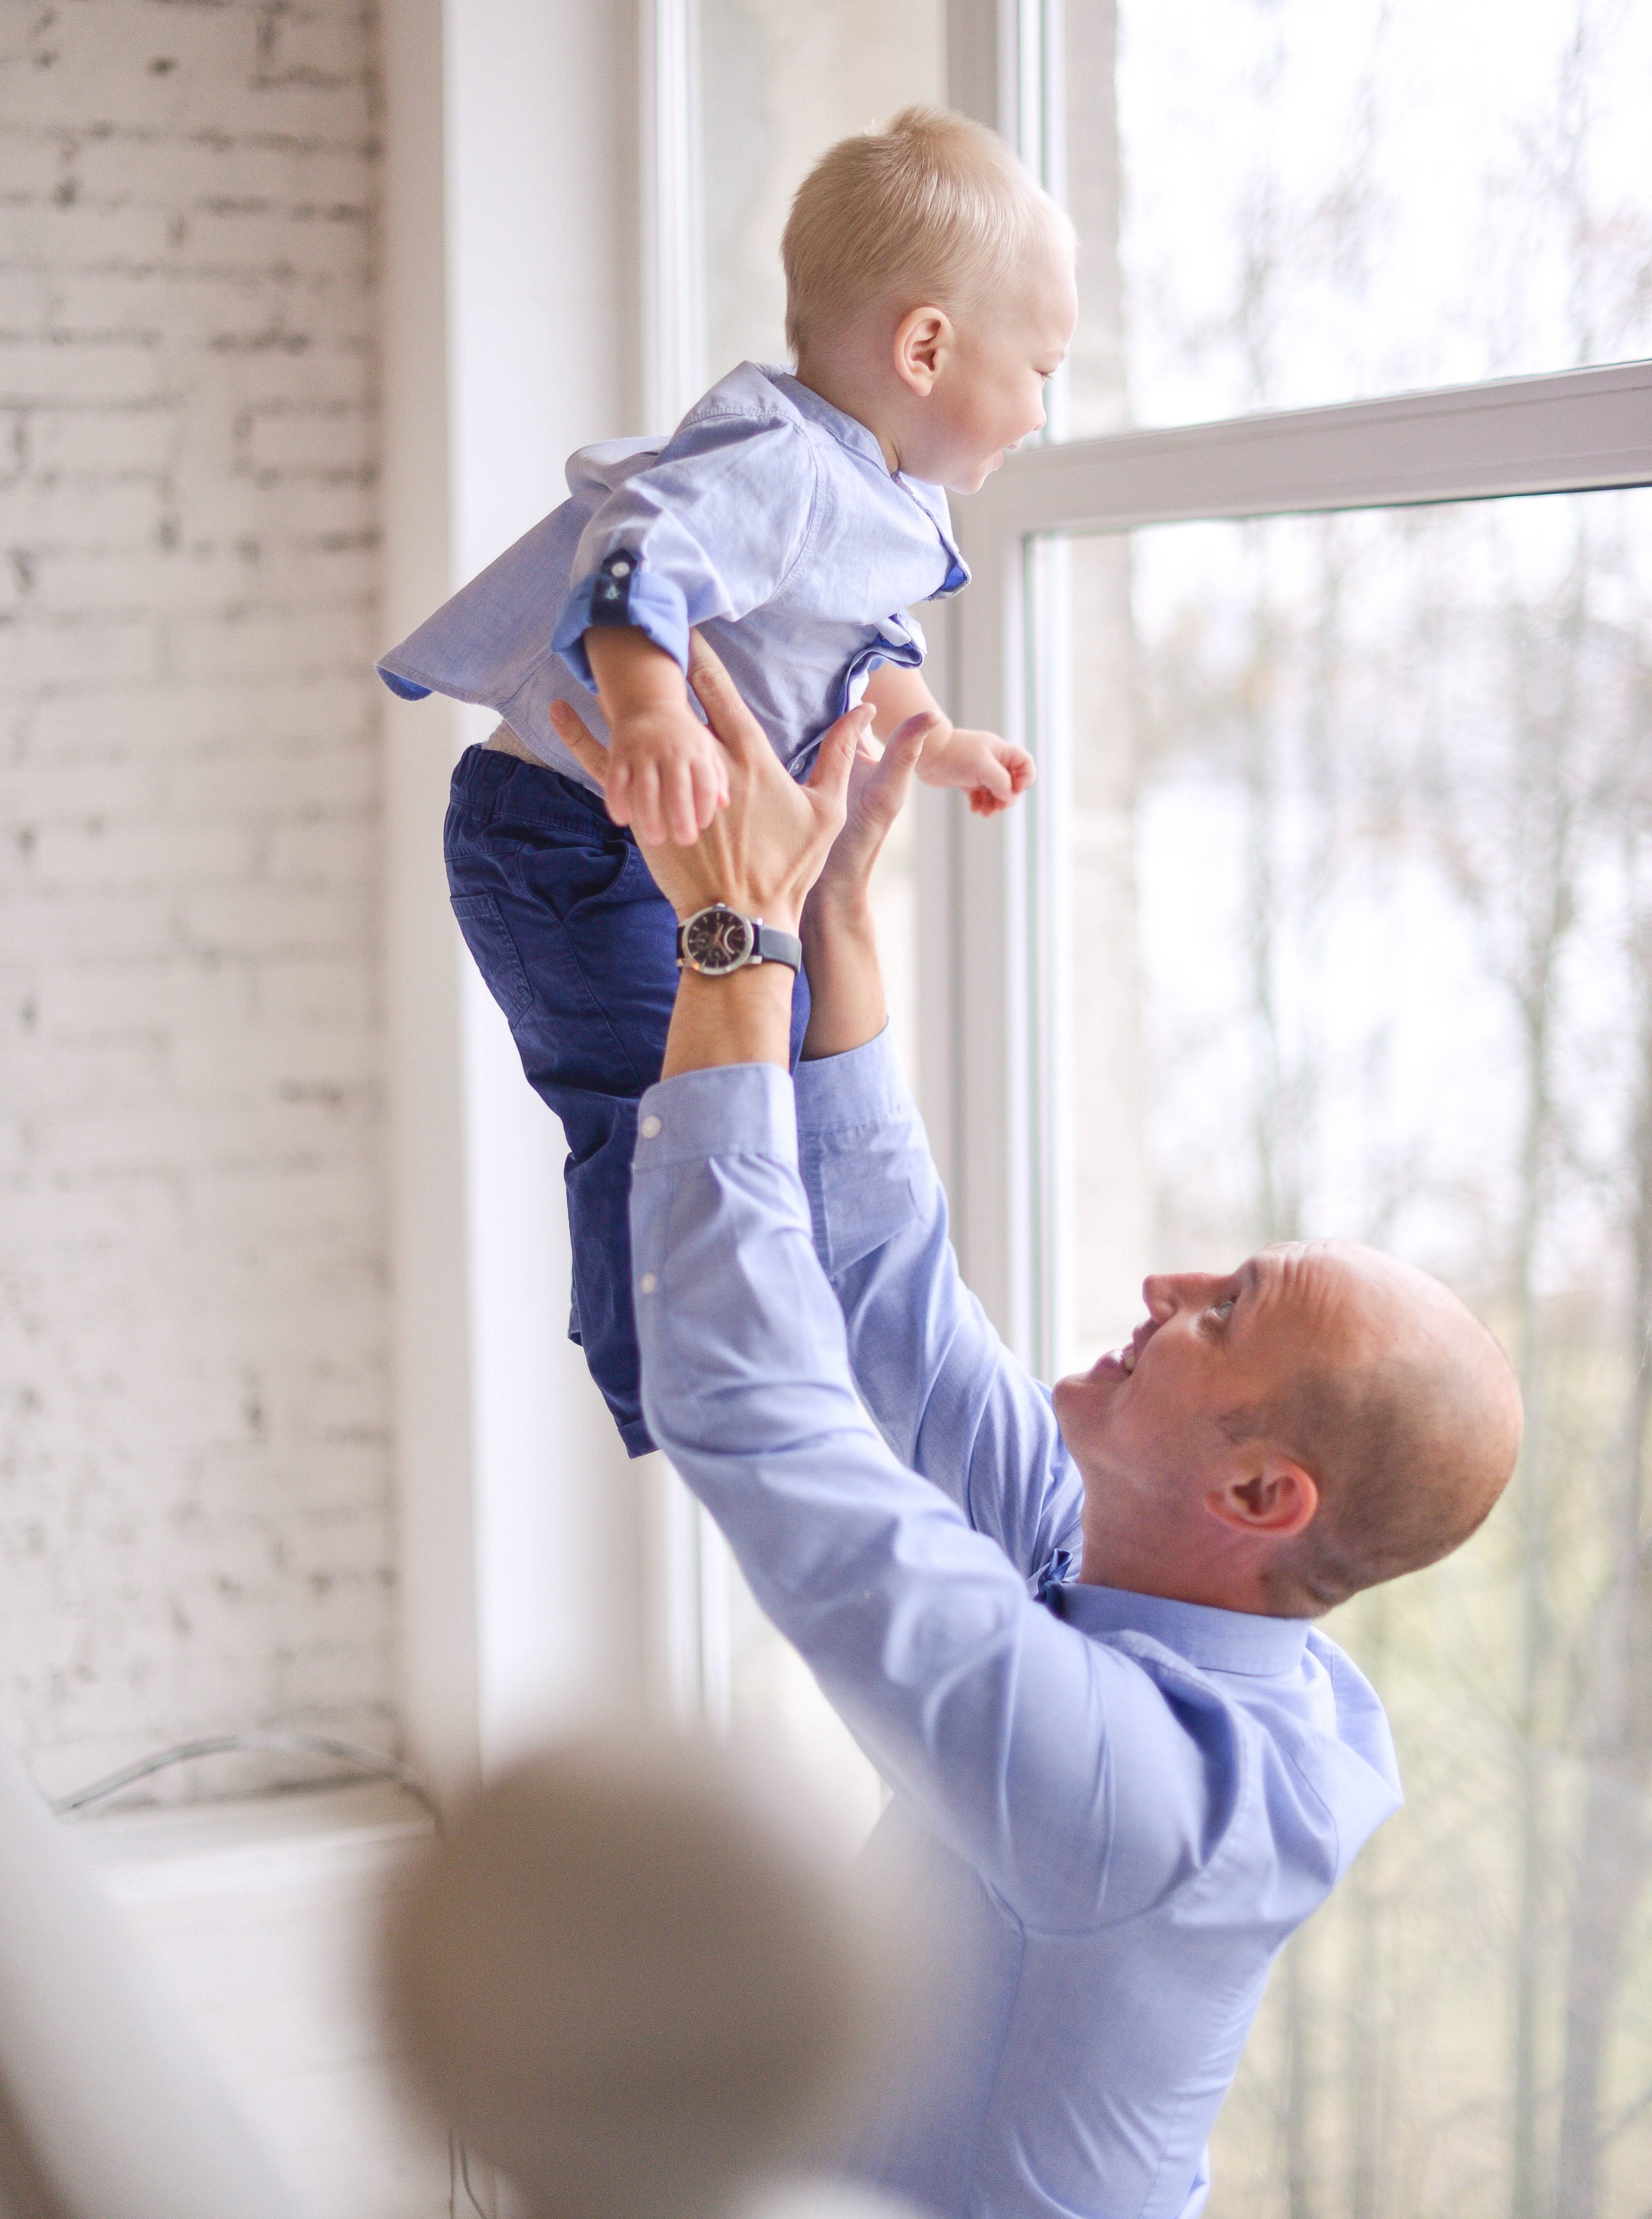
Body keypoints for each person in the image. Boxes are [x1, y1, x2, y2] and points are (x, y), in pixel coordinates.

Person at [548, 638, 1525, 2219]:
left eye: (1223, 1310)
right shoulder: (1152, 1592)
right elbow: (892, 1312)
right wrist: (834, 911)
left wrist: (735, 943)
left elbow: (761, 1419)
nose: (1164, 1283)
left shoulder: (1143, 1802)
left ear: (1260, 1490)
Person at [375, 107, 1071, 1458]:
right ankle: (672, 1379)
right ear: (925, 347)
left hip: (653, 842)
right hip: (569, 840)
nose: (1046, 410)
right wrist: (645, 710)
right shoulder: (783, 463)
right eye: (1040, 369)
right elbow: (638, 554)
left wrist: (931, 738)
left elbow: (859, 650)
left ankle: (758, 1336)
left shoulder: (878, 489)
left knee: (759, 1079)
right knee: (658, 1104)